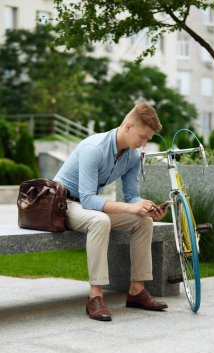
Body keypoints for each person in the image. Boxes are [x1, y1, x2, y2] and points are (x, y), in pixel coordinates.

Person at [54, 103, 169, 321]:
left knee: (143, 222)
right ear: (128, 126)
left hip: (85, 206)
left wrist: (146, 207)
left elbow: (131, 196)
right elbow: (88, 199)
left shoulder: (133, 157)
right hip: (62, 205)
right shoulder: (93, 148)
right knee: (99, 221)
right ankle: (95, 296)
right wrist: (132, 207)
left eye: (148, 139)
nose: (144, 143)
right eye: (143, 137)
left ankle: (137, 290)